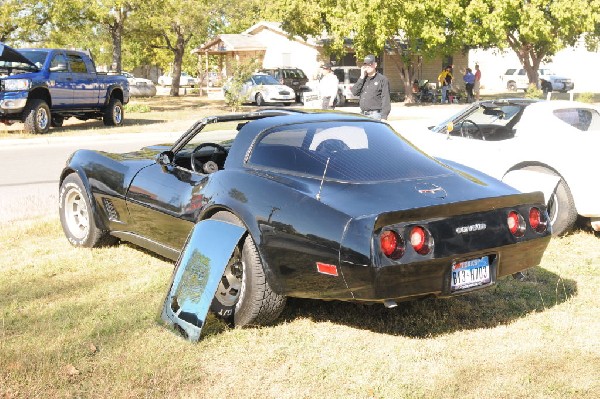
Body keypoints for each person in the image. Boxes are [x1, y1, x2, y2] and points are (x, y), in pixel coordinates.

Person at [350, 54, 391, 120]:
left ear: (375, 65)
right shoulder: (363, 79)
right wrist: (361, 77)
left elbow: (386, 99)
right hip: (362, 114)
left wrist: (384, 117)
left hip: (375, 115)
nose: (368, 66)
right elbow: (354, 92)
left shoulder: (382, 79)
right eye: (366, 64)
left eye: (370, 64)